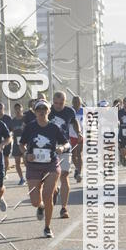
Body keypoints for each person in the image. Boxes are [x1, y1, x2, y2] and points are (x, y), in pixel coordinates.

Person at [19, 99, 69, 238]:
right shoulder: (30, 127)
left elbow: (66, 143)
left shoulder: (54, 127)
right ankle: (40, 207)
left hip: (51, 164)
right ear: (35, 112)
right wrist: (25, 154)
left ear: (49, 111)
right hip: (34, 166)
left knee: (47, 196)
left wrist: (61, 148)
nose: (41, 111)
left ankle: (47, 227)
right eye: (38, 109)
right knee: (35, 201)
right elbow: (21, 144)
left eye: (44, 109)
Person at [49, 91, 81, 219]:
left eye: (61, 103)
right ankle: (55, 191)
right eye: (55, 103)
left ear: (65, 102)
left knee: (64, 174)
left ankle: (64, 208)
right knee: (51, 177)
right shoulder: (47, 110)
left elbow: (74, 122)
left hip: (65, 146)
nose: (58, 106)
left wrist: (79, 132)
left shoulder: (69, 111)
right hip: (49, 148)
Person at [0, 102, 14, 175]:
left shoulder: (8, 118)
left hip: (6, 140)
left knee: (6, 157)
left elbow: (12, 130)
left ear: (3, 109)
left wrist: (9, 136)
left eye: (1, 108)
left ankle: (4, 173)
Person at [10, 102, 26, 185]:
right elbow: (10, 131)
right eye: (16, 108)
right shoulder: (12, 121)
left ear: (22, 109)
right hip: (16, 143)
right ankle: (22, 179)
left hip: (25, 143)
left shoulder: (25, 119)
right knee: (17, 162)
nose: (17, 110)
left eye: (19, 108)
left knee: (26, 161)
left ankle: (29, 177)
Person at [70, 95, 84, 181]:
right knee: (73, 155)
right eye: (75, 102)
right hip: (71, 135)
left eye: (78, 102)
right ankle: (76, 168)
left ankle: (79, 173)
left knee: (79, 153)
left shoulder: (84, 111)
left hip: (81, 135)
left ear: (81, 102)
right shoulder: (70, 111)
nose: (76, 103)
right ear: (72, 103)